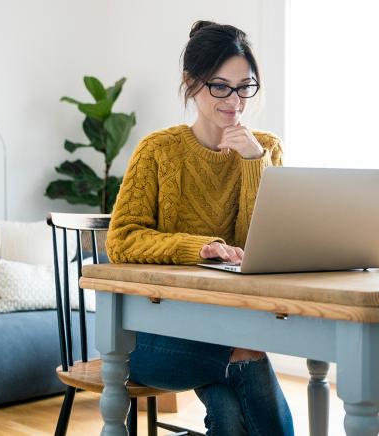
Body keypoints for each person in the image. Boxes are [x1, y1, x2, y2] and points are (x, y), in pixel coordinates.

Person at [105, 20, 293, 436]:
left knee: (228, 412)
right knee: (247, 354)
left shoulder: (267, 149)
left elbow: (260, 247)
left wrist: (253, 162)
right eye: (220, 86)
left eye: (245, 85)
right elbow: (121, 239)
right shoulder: (158, 151)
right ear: (191, 84)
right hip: (152, 336)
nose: (235, 99)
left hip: (229, 322)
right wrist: (198, 247)